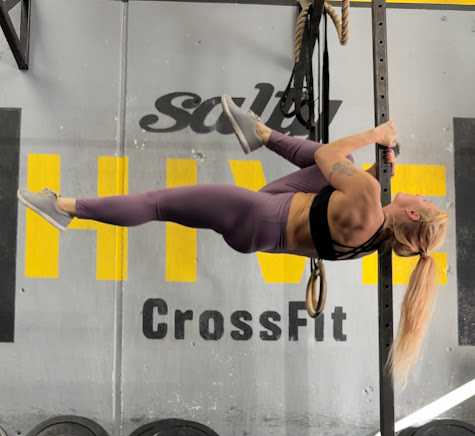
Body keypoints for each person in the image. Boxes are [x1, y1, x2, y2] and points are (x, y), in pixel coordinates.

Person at [18, 95, 448, 382]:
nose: (420, 194)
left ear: (413, 213)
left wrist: (376, 135)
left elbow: (326, 155)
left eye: (425, 200)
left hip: (257, 214)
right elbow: (339, 189)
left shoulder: (369, 199)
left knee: (157, 204)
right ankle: (259, 134)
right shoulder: (373, 238)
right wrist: (377, 166)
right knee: (343, 162)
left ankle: (64, 208)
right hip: (269, 224)